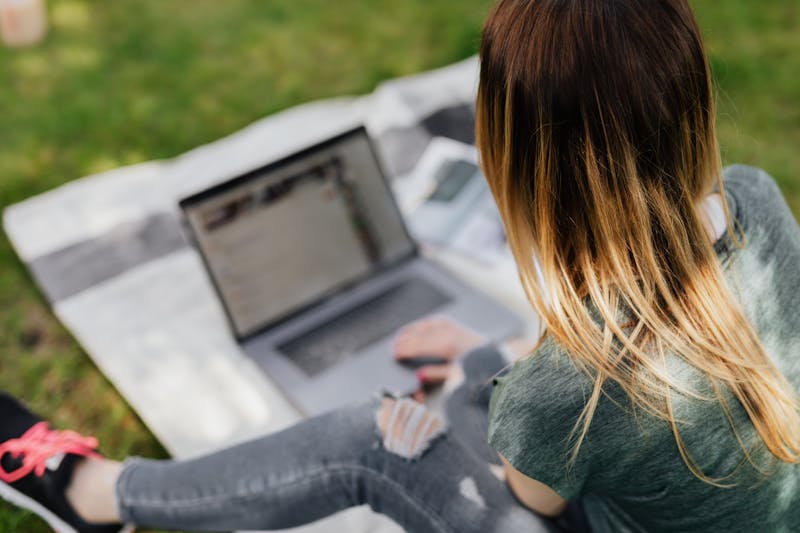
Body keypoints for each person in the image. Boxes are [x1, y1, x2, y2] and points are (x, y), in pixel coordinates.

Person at [2, 0, 800, 531]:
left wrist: (492, 395)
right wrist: (495, 366)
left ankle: (97, 497)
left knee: (378, 435)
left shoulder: (565, 393)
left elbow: (538, 498)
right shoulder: (756, 199)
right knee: (484, 372)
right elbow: (632, 372)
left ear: (513, 164)